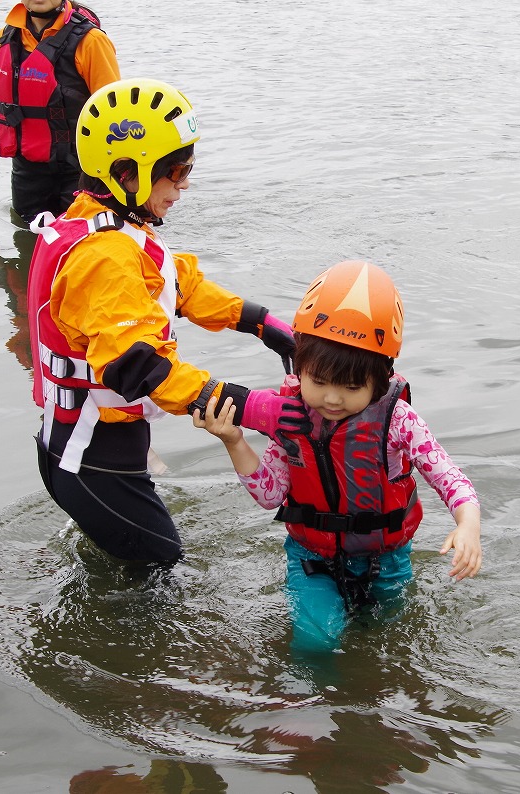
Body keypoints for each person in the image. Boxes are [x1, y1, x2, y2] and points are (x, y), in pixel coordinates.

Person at [27, 77, 310, 565]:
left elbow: (179, 286)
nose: (184, 185)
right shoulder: (103, 258)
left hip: (103, 450)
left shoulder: (113, 228)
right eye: (175, 171)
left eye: (187, 169)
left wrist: (263, 323)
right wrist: (251, 408)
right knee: (161, 571)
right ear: (126, 173)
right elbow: (141, 368)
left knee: (136, 561)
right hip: (90, 462)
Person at [194, 260, 483, 652]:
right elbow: (269, 496)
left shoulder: (398, 420)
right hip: (311, 559)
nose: (331, 398)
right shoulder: (290, 414)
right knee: (315, 641)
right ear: (301, 368)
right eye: (319, 382)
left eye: (350, 387)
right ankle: (306, 709)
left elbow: (450, 479)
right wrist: (234, 441)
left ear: (379, 381)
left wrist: (468, 526)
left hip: (387, 561)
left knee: (390, 643)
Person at [0, 0, 121, 224]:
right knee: (29, 241)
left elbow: (114, 114)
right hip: (27, 174)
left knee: (83, 243)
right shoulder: (3, 40)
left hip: (83, 172)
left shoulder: (92, 42)